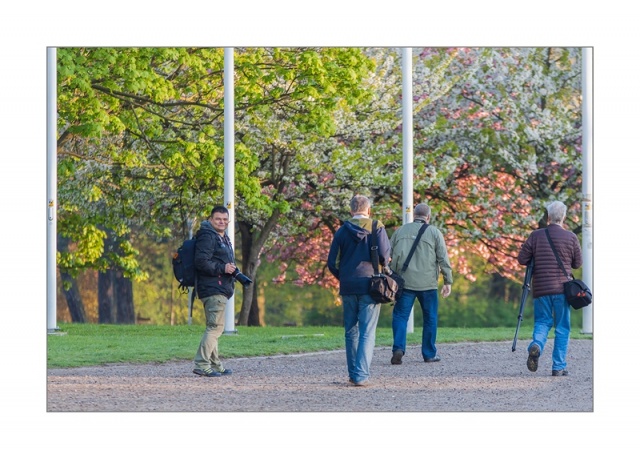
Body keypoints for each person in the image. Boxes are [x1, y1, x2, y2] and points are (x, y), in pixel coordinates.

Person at [327, 195, 391, 387]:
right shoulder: (376, 226)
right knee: (367, 332)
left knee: (350, 331)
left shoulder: (341, 231)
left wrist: (343, 276)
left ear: (351, 210)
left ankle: (353, 373)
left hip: (348, 286)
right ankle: (361, 375)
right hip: (370, 285)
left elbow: (331, 263)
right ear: (368, 210)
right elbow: (384, 256)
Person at [517, 200, 583, 376]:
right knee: (562, 327)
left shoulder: (536, 235)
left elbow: (522, 259)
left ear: (548, 217)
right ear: (563, 217)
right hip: (562, 290)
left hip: (541, 290)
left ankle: (536, 345)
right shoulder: (571, 237)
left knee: (542, 322)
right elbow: (577, 263)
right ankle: (558, 366)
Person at [388, 203, 453, 365]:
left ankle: (398, 349)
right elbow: (443, 258)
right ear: (428, 217)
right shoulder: (434, 232)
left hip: (405, 282)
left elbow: (387, 255)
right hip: (428, 284)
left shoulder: (400, 231)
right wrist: (448, 281)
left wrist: (390, 275)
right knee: (430, 318)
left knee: (400, 316)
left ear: (414, 215)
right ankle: (429, 354)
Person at [192, 205, 237, 377]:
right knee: (215, 328)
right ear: (211, 219)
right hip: (213, 287)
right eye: (218, 219)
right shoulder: (207, 236)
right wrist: (223, 268)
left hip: (219, 287)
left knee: (214, 327)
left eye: (225, 220)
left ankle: (215, 364)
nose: (222, 222)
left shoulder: (222, 237)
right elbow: (201, 262)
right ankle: (202, 364)